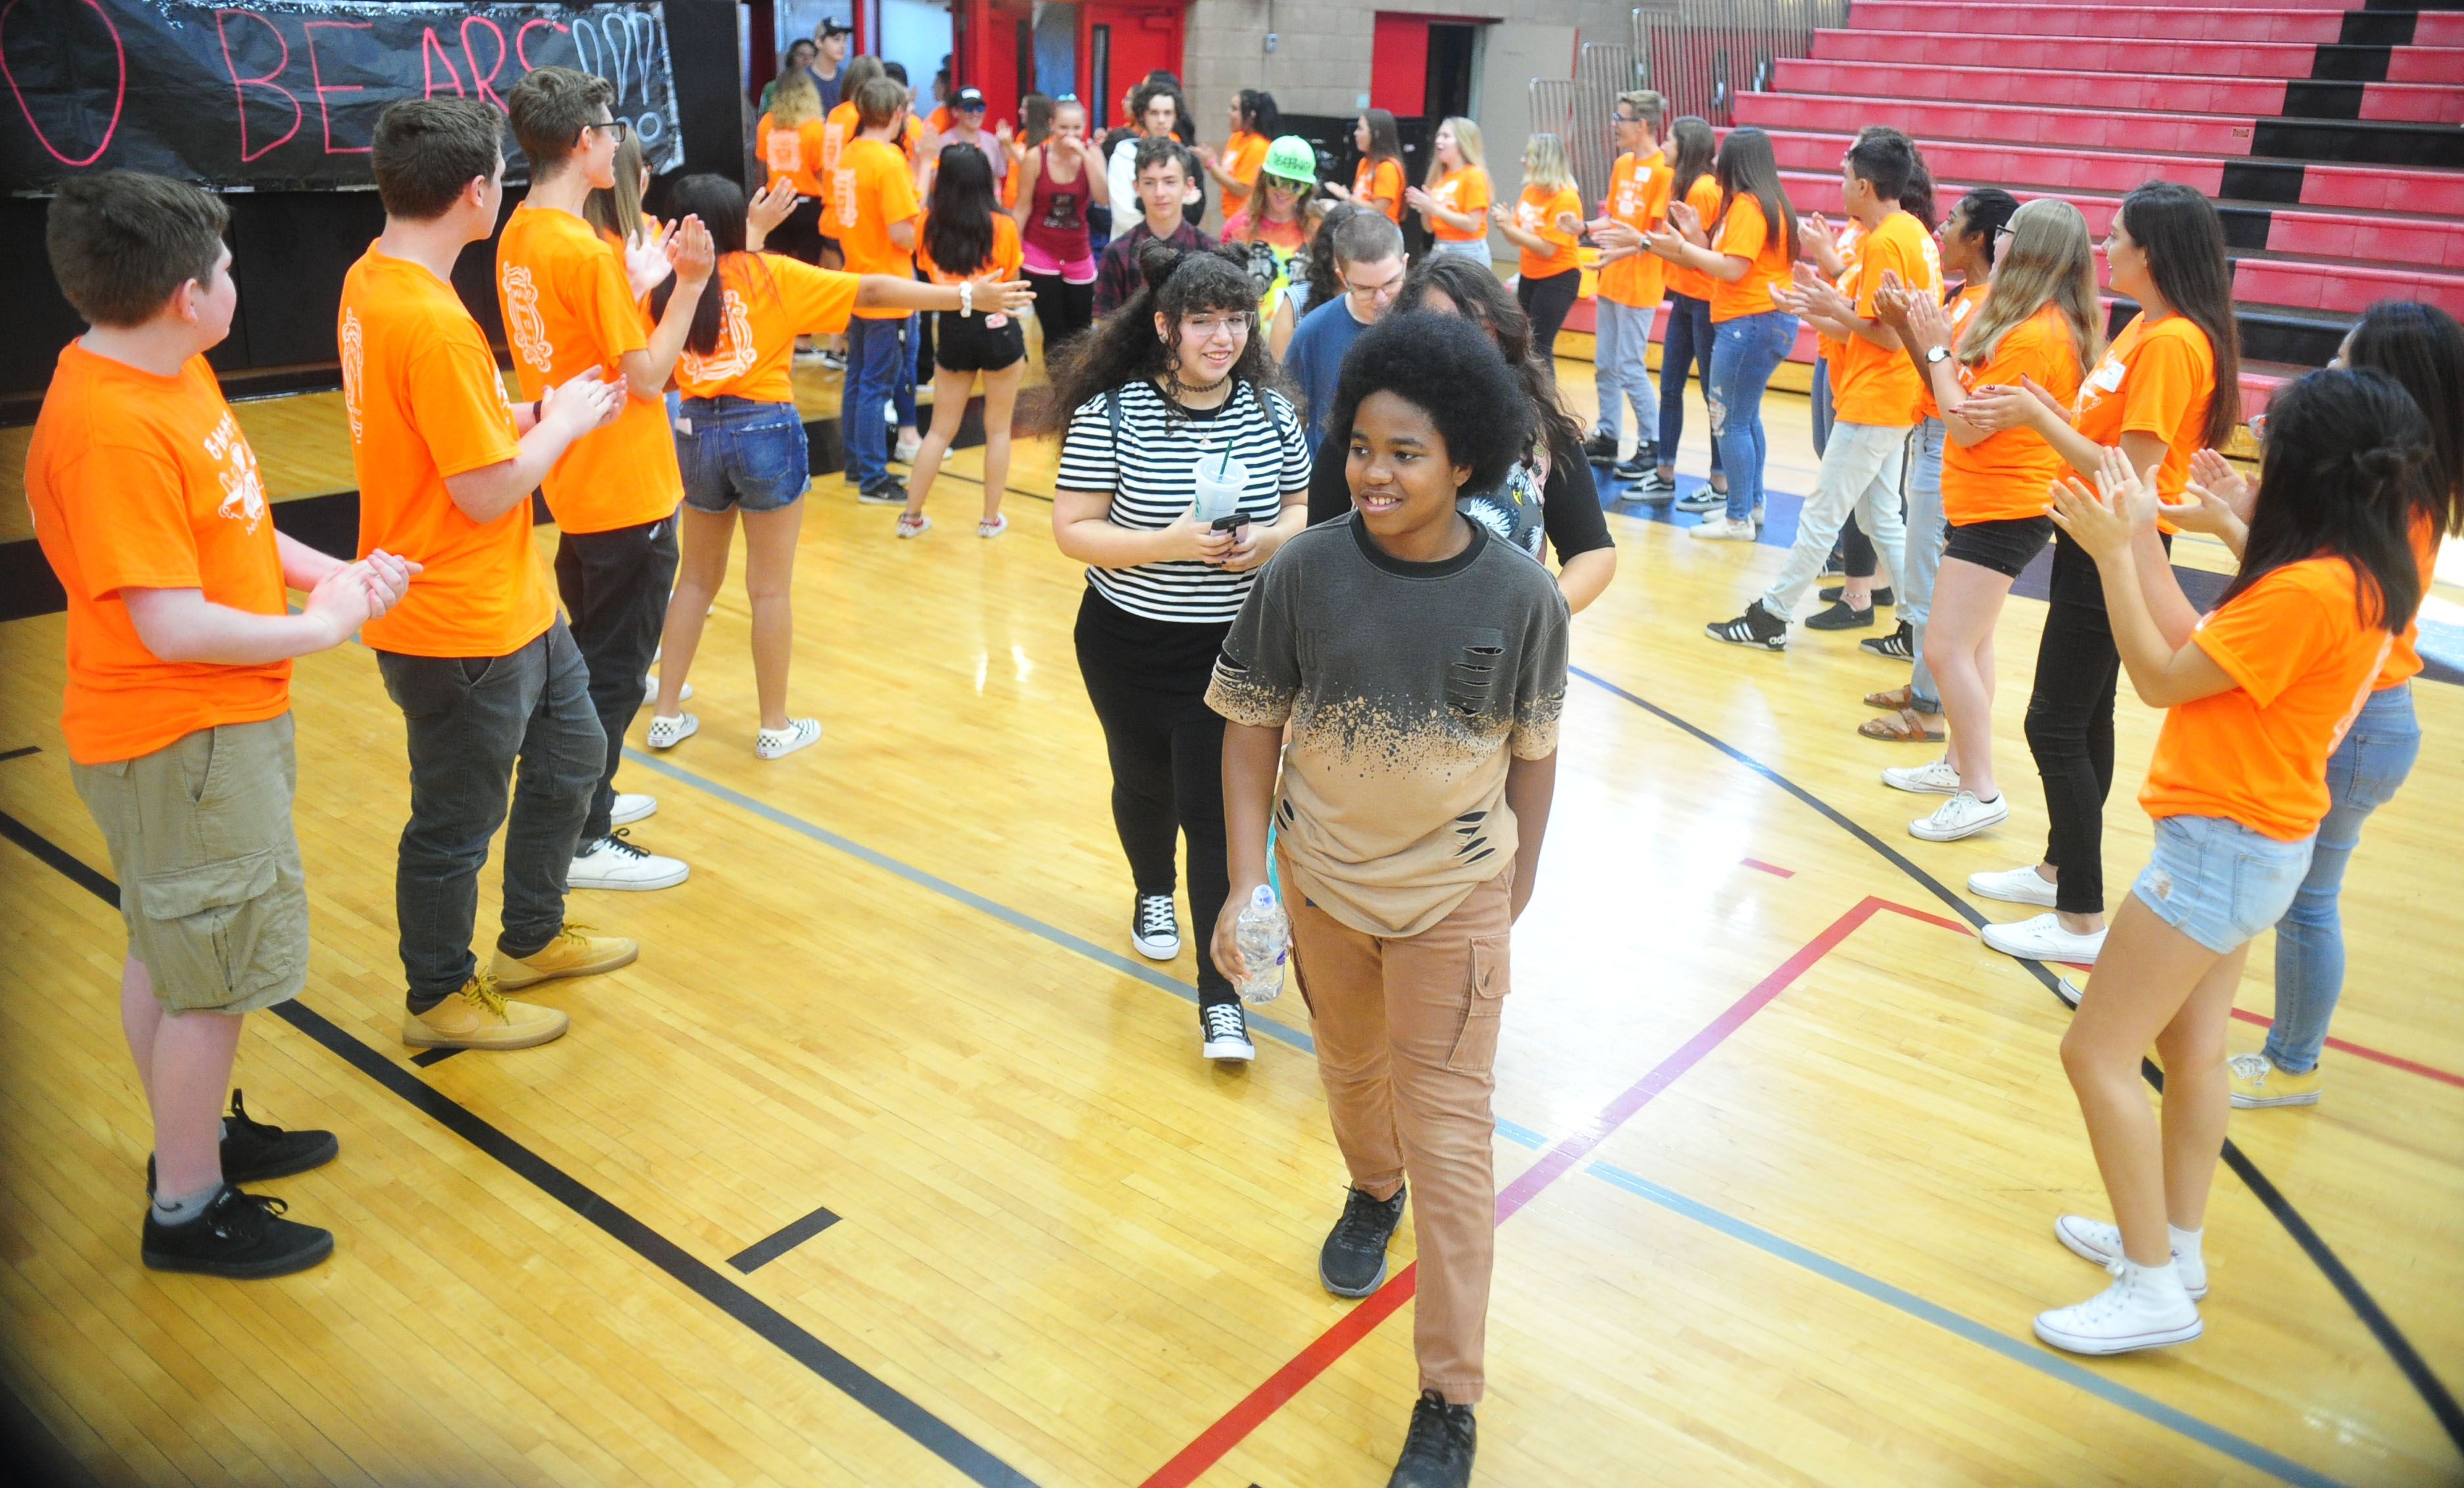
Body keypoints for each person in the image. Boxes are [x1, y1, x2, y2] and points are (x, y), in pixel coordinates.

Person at [1211, 311, 1568, 1488]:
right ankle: (1371, 1189)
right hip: (1322, 894)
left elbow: (1532, 753)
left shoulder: (1520, 595)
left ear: (1464, 458)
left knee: (1454, 1141)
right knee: (1350, 1075)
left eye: (1405, 451)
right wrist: (1242, 883)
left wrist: (1503, 898)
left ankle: (1446, 1393)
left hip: (1452, 906)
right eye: (1360, 445)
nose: (1374, 471)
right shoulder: (1302, 570)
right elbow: (1248, 730)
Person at [30, 170, 408, 1279]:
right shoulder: (109, 427)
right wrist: (321, 628)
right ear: (187, 297)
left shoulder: (165, 367)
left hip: (202, 731)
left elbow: (233, 525)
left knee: (171, 944)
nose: (239, 278)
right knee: (212, 977)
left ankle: (192, 1133)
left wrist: (329, 570)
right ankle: (189, 1204)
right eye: (227, 267)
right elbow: (173, 621)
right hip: (178, 738)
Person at [2034, 368, 2427, 1355]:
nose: (2252, 442)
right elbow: (2199, 643)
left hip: (2223, 843)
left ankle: (2152, 1284)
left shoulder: (2305, 587)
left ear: (2301, 469)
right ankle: (2172, 1242)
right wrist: (2137, 540)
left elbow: (2162, 679)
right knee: (2191, 1050)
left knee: (2095, 1052)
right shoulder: (2355, 570)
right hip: (2261, 840)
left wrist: (2116, 555)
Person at [343, 98, 643, 1056]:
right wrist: (557, 427)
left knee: (572, 755)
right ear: (477, 194)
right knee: (457, 822)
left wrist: (528, 407)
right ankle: (437, 993)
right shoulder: (427, 319)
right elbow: (481, 491)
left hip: (513, 600)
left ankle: (532, 936)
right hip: (456, 615)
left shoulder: (372, 277)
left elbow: (443, 430)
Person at [1033, 242, 1311, 1065]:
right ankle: (1151, 890)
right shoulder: (1112, 414)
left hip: (1228, 656)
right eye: (1202, 322)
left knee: (1214, 817)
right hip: (1123, 644)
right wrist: (1170, 542)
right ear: (1165, 328)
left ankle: (1221, 1001)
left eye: (1234, 321)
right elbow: (1071, 531)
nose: (1221, 338)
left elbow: (1305, 508)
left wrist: (1264, 540)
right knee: (1141, 782)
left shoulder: (1270, 414)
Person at [1955, 181, 2238, 961]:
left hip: (2116, 542)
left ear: (2147, 251)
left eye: (2114, 237)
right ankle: (2058, 870)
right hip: (2089, 539)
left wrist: (2035, 415)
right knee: (2083, 715)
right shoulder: (2143, 328)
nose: (2103, 249)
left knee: (2052, 720)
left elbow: (2131, 477)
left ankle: (2080, 914)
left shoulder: (2176, 343)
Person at [2198, 302, 2459, 1109]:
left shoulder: (2400, 494)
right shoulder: (2406, 477)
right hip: (2370, 713)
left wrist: (2225, 527)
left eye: (2348, 360)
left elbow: (2323, 601)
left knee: (2305, 902)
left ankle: (2290, 1063)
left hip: (2356, 719)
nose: (2333, 370)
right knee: (2300, 895)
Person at [498, 66, 711, 891]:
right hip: (626, 484)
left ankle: (593, 788)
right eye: (611, 127)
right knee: (615, 669)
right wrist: (687, 284)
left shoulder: (522, 233)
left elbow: (578, 347)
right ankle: (582, 835)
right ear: (587, 143)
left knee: (591, 656)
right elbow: (649, 375)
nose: (618, 139)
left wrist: (635, 283)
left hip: (578, 480)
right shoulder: (582, 251)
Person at [1883, 198, 2098, 845]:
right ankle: (1958, 764)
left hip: (2004, 505)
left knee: (1944, 647)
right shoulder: (2029, 320)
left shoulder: (2036, 333)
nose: (1995, 239)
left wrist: (1935, 349)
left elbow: (1963, 422)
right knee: (1970, 645)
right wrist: (1929, 344)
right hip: (1988, 501)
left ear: (2023, 247)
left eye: (2005, 231)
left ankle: (1979, 788)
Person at [1707, 128, 1934, 647]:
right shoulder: (1908, 232)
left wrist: (1834, 309)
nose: (1840, 184)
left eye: (1846, 177)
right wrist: (1814, 307)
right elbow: (1866, 323)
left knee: (1822, 512)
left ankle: (1771, 616)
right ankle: (1918, 625)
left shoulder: (1886, 241)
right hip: (1888, 393)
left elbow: (1888, 338)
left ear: (1865, 187)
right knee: (1881, 516)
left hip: (1878, 394)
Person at [1313, 254, 1618, 615]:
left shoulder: (1540, 430)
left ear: (1500, 334)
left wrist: (1536, 617)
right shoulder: (1365, 426)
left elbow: (1593, 550)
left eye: (1479, 327)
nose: (1461, 342)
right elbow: (1317, 549)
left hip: (1502, 659)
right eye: (1442, 327)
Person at [1862, 187, 2021, 743]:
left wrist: (1910, 329)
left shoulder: (1988, 305)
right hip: (1929, 436)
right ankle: (1924, 689)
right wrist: (1906, 325)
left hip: (1946, 443)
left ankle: (1929, 710)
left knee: (1931, 583)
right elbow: (1933, 372)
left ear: (1977, 238)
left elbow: (1954, 388)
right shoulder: (1963, 296)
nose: (1941, 229)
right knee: (1925, 576)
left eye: (1952, 221)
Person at [1646, 125, 1796, 540]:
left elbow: (1732, 268)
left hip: (1749, 323)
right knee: (1745, 420)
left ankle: (1737, 517)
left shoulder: (1749, 205)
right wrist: (1695, 236)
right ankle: (1752, 506)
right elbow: (1725, 256)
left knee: (1729, 421)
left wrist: (1685, 248)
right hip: (1757, 322)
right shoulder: (1763, 202)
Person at [900, 147, 1040, 539]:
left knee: (939, 431)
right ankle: (989, 519)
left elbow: (928, 270)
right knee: (997, 429)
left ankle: (911, 517)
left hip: (952, 326)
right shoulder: (1004, 225)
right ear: (985, 180)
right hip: (998, 330)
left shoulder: (926, 223)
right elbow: (1011, 277)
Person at [833, 76, 929, 505]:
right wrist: (924, 171)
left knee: (858, 379)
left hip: (857, 279)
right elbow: (901, 233)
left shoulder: (850, 155)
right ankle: (873, 477)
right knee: (876, 383)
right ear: (896, 114)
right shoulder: (888, 160)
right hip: (889, 285)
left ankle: (857, 466)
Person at [1582, 91, 1673, 479]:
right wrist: (1584, 227)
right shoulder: (1622, 164)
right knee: (1605, 364)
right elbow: (1615, 219)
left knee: (1630, 366)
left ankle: (1651, 445)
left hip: (1640, 281)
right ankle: (1607, 436)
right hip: (1612, 278)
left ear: (1642, 125)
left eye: (1620, 119)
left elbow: (1648, 235)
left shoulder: (1663, 171)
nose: (1614, 125)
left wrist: (1614, 249)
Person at [1284, 210, 1407, 450]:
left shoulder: (1428, 322)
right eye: (1364, 288)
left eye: (1391, 283)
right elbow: (1292, 420)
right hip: (1329, 476)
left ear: (1405, 264)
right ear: (1343, 277)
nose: (1381, 299)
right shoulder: (1313, 331)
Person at [1656, 118, 1725, 505]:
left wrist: (1645, 243)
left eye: (1670, 139)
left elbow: (1701, 254)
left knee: (1710, 394)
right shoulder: (1683, 183)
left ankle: (1719, 481)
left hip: (1704, 300)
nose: (1664, 144)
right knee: (1670, 386)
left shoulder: (1703, 188)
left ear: (1687, 147)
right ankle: (1665, 472)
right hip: (1684, 297)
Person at [1014, 95, 1108, 359]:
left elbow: (1102, 197)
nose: (1070, 134)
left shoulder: (1092, 154)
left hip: (1078, 250)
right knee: (1054, 331)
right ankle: (1058, 393)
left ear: (1085, 128)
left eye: (1077, 128)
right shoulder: (1036, 157)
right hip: (1039, 249)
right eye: (1063, 127)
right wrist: (1011, 254)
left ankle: (1078, 391)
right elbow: (1022, 207)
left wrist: (1084, 154)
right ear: (1052, 125)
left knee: (1080, 330)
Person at [1094, 137, 1213, 318]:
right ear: (1137, 187)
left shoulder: (1208, 251)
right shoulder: (1117, 253)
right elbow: (1103, 327)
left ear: (1188, 186)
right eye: (1149, 183)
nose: (1160, 193)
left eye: (1170, 182)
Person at [1489, 133, 1583, 364]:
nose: (1523, 160)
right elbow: (1517, 240)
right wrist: (1505, 226)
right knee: (1523, 342)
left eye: (1528, 156)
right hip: (1529, 274)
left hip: (1558, 278)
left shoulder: (1566, 198)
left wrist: (1512, 227)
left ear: (1544, 160)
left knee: (1540, 347)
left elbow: (1548, 249)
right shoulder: (1531, 190)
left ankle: (1543, 399)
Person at [1222, 136, 1316, 315]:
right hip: (1249, 336)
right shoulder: (1237, 228)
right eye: (1276, 181)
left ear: (1306, 190)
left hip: (1299, 336)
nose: (1283, 191)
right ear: (1264, 180)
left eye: (1295, 186)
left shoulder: (1317, 230)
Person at [1269, 200, 1368, 360]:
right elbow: (1277, 372)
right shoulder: (1297, 301)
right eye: (1346, 249)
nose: (1356, 258)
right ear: (1328, 253)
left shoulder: (1384, 299)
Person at [755, 69, 829, 266]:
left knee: (776, 265)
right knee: (808, 267)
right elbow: (822, 173)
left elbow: (761, 166)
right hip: (808, 205)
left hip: (775, 201)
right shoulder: (815, 128)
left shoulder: (766, 123)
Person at [1106, 80, 1199, 237]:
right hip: (1130, 250)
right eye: (1154, 113)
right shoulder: (1123, 156)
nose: (1161, 120)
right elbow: (1124, 217)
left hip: (1177, 250)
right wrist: (1182, 203)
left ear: (1176, 116)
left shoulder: (1189, 159)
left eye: (1168, 113)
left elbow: (1194, 214)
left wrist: (1141, 205)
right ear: (1142, 116)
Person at [1405, 116, 1492, 263]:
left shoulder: (1474, 175)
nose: (1438, 140)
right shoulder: (1441, 177)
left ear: (1462, 142)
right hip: (1440, 246)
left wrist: (1434, 208)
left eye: (1446, 136)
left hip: (1468, 251)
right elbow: (1429, 229)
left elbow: (1472, 225)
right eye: (1439, 135)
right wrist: (1425, 207)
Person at [1325, 108, 1405, 223]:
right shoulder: (1364, 162)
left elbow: (1379, 211)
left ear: (1376, 134)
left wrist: (1346, 196)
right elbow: (1360, 201)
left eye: (1360, 129)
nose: (1355, 133)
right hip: (1362, 229)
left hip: (1383, 234)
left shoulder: (1388, 167)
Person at [1206, 89, 1276, 219]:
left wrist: (1211, 164)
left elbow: (1242, 189)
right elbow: (1229, 175)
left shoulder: (1258, 146)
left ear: (1250, 117)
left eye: (1234, 109)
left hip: (1246, 220)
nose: (1228, 113)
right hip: (1230, 216)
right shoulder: (1236, 137)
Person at [758, 38, 818, 114]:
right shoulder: (772, 87)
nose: (806, 60)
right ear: (791, 58)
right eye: (801, 55)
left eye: (811, 56)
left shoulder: (819, 86)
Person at [811, 19, 851, 114]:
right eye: (836, 39)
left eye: (844, 40)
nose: (843, 46)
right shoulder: (803, 79)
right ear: (819, 43)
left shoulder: (846, 78)